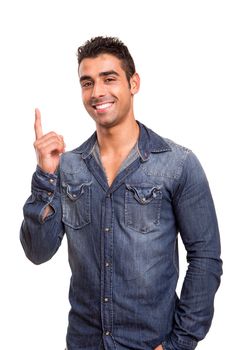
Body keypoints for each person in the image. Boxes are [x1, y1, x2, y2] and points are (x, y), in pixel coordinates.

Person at [20, 36, 222, 350]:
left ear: (133, 83)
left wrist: (179, 343)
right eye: (87, 83)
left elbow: (205, 259)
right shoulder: (68, 166)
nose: (97, 92)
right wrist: (46, 176)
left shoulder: (178, 163)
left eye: (109, 79)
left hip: (150, 344)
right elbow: (37, 252)